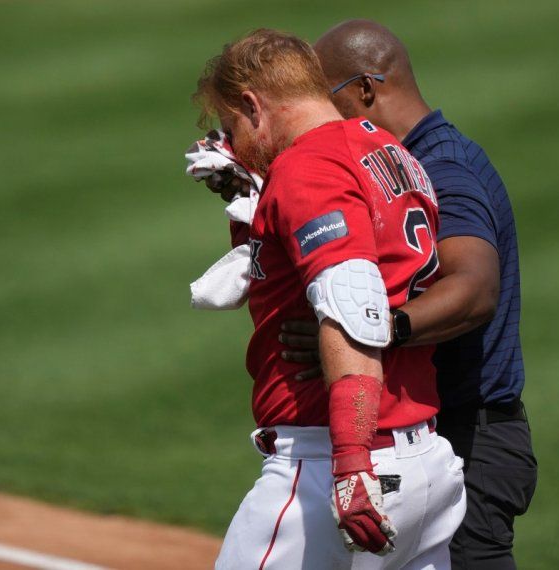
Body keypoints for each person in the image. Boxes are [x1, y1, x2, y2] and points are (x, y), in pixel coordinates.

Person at [192, 28, 465, 570]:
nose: (233, 144)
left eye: (232, 126)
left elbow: (353, 304)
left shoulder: (307, 169)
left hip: (332, 463)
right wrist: (254, 202)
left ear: (254, 105)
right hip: (427, 468)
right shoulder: (385, 149)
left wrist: (351, 463)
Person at [272, 20, 536, 570]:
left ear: (365, 89)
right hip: (451, 433)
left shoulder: (442, 165)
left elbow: (474, 288)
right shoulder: (394, 161)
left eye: (327, 98)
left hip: (473, 437)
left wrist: (369, 329)